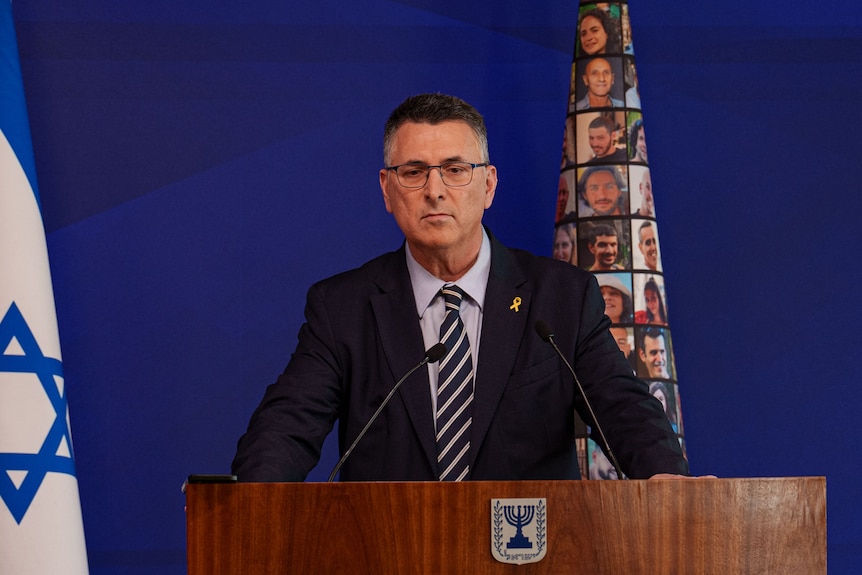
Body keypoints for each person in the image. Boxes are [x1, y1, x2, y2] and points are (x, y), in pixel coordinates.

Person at [231, 93, 688, 483]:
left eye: (454, 169)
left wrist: (668, 477)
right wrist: (250, 499)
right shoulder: (342, 308)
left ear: (488, 184)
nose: (435, 189)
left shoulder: (562, 300)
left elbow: (623, 410)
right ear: (387, 190)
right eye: (413, 172)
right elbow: (286, 426)